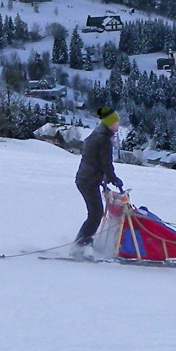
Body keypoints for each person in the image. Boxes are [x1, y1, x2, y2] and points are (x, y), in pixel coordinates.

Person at [74, 107, 124, 254]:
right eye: (116, 122)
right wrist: (113, 179)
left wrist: (108, 179)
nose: (118, 125)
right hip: (88, 181)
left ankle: (83, 241)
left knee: (95, 213)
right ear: (110, 124)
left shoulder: (98, 135)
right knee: (96, 214)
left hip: (87, 179)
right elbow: (105, 163)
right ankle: (81, 245)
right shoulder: (103, 140)